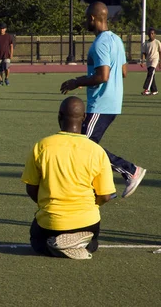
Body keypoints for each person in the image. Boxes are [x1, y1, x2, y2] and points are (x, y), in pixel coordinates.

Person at [60, 1, 146, 197]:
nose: (85, 21)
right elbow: (122, 72)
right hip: (112, 101)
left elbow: (103, 76)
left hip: (101, 103)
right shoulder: (116, 40)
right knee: (85, 146)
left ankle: (131, 171)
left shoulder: (99, 43)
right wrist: (88, 80)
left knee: (84, 146)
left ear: (92, 18)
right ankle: (101, 189)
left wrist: (77, 81)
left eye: (86, 18)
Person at [22, 96, 116, 260]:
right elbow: (106, 196)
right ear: (84, 117)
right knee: (93, 244)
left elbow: (31, 188)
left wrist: (45, 204)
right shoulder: (96, 151)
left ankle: (56, 244)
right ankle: (82, 244)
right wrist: (90, 206)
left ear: (59, 116)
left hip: (52, 220)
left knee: (37, 243)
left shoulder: (42, 146)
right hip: (88, 221)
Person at [140, 27, 161, 96]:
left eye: (152, 33)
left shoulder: (157, 42)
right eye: (149, 34)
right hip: (148, 61)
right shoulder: (145, 43)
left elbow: (160, 52)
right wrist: (142, 61)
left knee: (151, 73)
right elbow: (143, 53)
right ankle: (154, 90)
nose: (151, 35)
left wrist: (160, 62)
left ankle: (146, 89)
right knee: (151, 74)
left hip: (155, 60)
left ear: (155, 34)